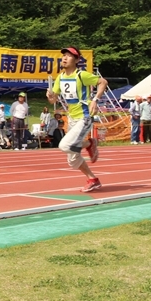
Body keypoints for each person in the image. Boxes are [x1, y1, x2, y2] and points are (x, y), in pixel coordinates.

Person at [47, 47, 108, 192]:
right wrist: (50, 96)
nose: (65, 58)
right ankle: (93, 179)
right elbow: (53, 99)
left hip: (85, 117)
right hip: (72, 118)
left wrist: (95, 99)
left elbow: (103, 82)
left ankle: (89, 143)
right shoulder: (60, 78)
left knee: (64, 146)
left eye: (69, 56)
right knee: (72, 159)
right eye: (64, 56)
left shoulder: (81, 75)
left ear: (77, 60)